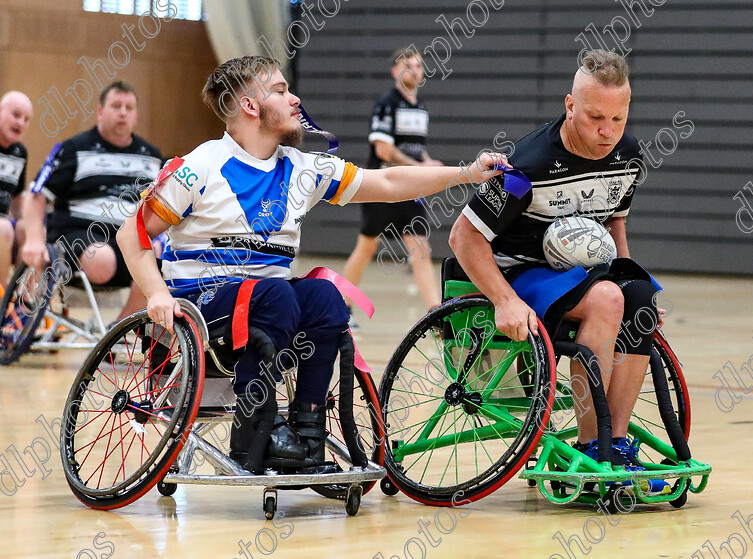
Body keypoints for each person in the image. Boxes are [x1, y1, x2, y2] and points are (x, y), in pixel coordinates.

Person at [115, 55, 505, 474]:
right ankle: (253, 431)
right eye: (281, 91)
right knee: (276, 294)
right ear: (250, 106)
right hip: (204, 307)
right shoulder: (200, 166)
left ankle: (306, 432)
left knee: (324, 298)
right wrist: (156, 293)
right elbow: (129, 234)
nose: (295, 98)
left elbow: (388, 183)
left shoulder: (303, 168)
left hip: (267, 305)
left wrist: (466, 174)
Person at [450, 49, 660, 469]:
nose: (607, 131)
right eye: (595, 117)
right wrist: (504, 300)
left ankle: (614, 444)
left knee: (640, 300)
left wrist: (630, 281)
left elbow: (614, 224)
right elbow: (463, 236)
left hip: (578, 274)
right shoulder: (527, 165)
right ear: (570, 105)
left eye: (618, 119)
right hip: (517, 272)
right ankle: (588, 448)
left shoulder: (629, 158)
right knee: (607, 301)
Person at [20, 81, 163, 321]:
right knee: (102, 258)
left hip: (129, 236)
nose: (122, 112)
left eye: (129, 107)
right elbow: (37, 193)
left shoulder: (151, 156)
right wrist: (34, 240)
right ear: (100, 112)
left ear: (136, 115)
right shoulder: (73, 149)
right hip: (79, 233)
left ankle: (120, 328)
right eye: (116, 105)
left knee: (159, 254)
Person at [342, 47, 443, 324]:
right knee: (366, 248)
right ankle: (342, 306)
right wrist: (419, 168)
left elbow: (415, 149)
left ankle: (435, 314)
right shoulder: (387, 103)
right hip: (382, 187)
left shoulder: (420, 107)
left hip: (409, 191)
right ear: (395, 71)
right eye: (408, 65)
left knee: (421, 248)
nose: (415, 69)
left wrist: (428, 163)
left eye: (419, 65)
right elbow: (385, 150)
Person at [0, 91, 33, 294]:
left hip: (4, 221)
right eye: (16, 115)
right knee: (3, 229)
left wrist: (27, 223)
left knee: (29, 230)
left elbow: (17, 197)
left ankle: (22, 301)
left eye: (26, 119)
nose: (20, 122)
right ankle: (2, 300)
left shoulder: (20, 153)